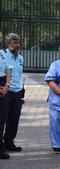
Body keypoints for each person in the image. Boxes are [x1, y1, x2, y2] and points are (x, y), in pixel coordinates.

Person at [2, 33, 24, 152]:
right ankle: (1, 145)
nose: (17, 45)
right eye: (14, 42)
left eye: (18, 42)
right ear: (9, 43)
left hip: (17, 91)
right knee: (3, 117)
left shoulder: (20, 58)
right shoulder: (3, 55)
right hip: (7, 91)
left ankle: (9, 141)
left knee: (14, 118)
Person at [0, 31, 11, 159]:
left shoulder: (2, 53)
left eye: (1, 37)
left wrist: (7, 86)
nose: (0, 40)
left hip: (4, 84)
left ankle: (1, 148)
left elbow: (7, 69)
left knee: (2, 119)